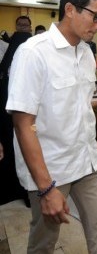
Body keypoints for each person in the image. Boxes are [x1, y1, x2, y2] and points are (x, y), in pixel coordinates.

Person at [6, 0, 97, 253]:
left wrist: (94, 101)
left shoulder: (87, 54)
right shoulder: (33, 53)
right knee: (45, 240)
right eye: (95, 16)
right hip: (51, 168)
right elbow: (23, 124)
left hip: (88, 159)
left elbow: (72, 101)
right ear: (70, 9)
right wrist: (45, 189)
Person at [0, 16, 32, 207]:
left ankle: (26, 191)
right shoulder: (7, 49)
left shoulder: (31, 51)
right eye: (19, 26)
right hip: (9, 114)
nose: (22, 29)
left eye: (25, 26)